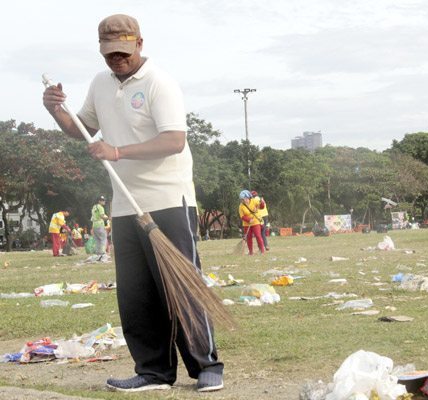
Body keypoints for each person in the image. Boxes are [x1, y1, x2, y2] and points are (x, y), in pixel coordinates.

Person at [42, 14, 223, 393]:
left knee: (181, 286)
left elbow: (174, 140)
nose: (117, 60)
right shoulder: (101, 84)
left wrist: (117, 151)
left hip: (169, 200)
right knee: (136, 293)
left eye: (123, 52)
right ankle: (153, 371)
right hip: (124, 203)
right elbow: (83, 129)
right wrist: (57, 110)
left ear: (140, 44)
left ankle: (207, 366)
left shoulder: (160, 83)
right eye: (110, 54)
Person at [238, 190, 265, 255]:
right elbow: (242, 216)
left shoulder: (254, 201)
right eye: (242, 199)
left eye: (245, 199)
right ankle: (251, 252)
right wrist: (248, 219)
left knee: (258, 236)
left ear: (248, 197)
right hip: (246, 224)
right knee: (249, 237)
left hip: (256, 222)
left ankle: (262, 251)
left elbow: (261, 207)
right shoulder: (241, 206)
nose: (244, 200)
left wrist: (262, 203)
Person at [91, 195, 110, 262]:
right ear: (99, 201)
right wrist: (108, 218)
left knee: (97, 239)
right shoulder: (101, 207)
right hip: (100, 224)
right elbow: (102, 216)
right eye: (103, 200)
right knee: (103, 238)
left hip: (94, 225)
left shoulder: (94, 207)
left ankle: (98, 253)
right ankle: (102, 253)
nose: (104, 201)